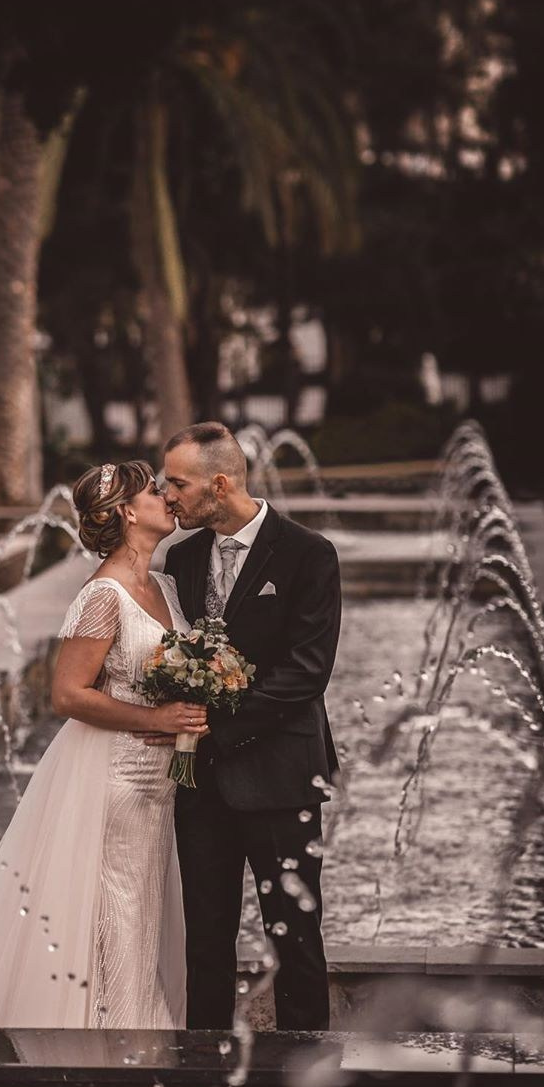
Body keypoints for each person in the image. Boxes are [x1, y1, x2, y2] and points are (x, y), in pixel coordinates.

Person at [0, 460, 202, 1029]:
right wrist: (156, 714)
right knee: (123, 909)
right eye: (152, 491)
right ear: (128, 514)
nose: (166, 496)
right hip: (119, 776)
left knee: (143, 909)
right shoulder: (104, 595)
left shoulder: (162, 584)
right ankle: (124, 1034)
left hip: (160, 778)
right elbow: (66, 694)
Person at [158, 421, 342, 1032]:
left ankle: (306, 1065)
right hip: (199, 782)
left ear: (220, 483)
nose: (167, 496)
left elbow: (307, 672)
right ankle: (198, 1069)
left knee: (292, 932)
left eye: (177, 484)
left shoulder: (307, 553)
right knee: (204, 937)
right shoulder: (181, 557)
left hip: (281, 776)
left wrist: (215, 722)